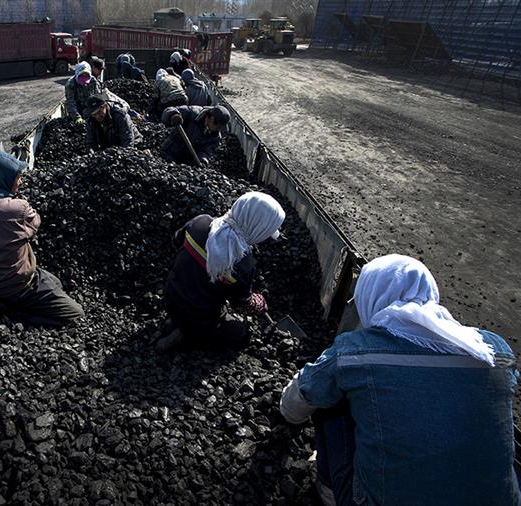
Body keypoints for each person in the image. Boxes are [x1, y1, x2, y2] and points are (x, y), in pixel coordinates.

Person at [279, 254, 521, 506]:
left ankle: (330, 492)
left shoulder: (356, 353)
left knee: (331, 398)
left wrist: (287, 411)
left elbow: (298, 400)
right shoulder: (493, 349)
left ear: (370, 297)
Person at [0, 151, 84, 327]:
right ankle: (16, 315)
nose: (20, 181)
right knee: (76, 315)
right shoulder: (17, 209)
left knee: (56, 283)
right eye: (17, 177)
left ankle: (4, 302)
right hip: (23, 286)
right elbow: (35, 222)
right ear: (3, 179)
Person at [158, 192, 285, 351]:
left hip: (171, 294)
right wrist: (256, 303)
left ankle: (175, 322)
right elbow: (239, 303)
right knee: (240, 336)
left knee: (187, 303)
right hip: (200, 318)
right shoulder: (243, 263)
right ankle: (186, 335)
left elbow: (176, 242)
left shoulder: (200, 222)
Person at [160, 105, 230, 166]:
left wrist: (202, 159)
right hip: (168, 153)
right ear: (211, 118)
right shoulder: (192, 113)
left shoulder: (215, 137)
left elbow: (206, 151)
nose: (218, 130)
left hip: (185, 163)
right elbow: (168, 110)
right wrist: (173, 115)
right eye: (218, 127)